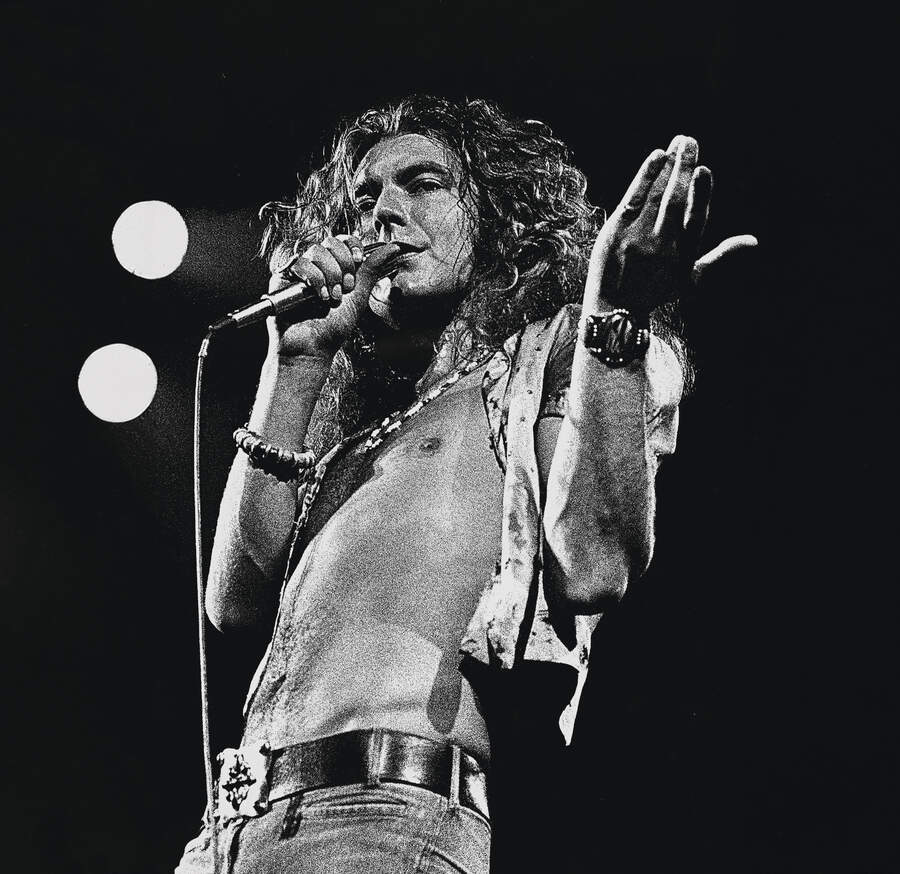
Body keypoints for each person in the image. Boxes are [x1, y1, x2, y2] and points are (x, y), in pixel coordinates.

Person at [175, 95, 754, 873]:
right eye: (364, 199)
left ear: (497, 218)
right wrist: (297, 364)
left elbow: (594, 565)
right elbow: (234, 603)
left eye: (423, 184)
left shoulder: (547, 356)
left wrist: (616, 314)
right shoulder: (358, 436)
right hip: (230, 834)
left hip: (380, 821)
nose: (384, 212)